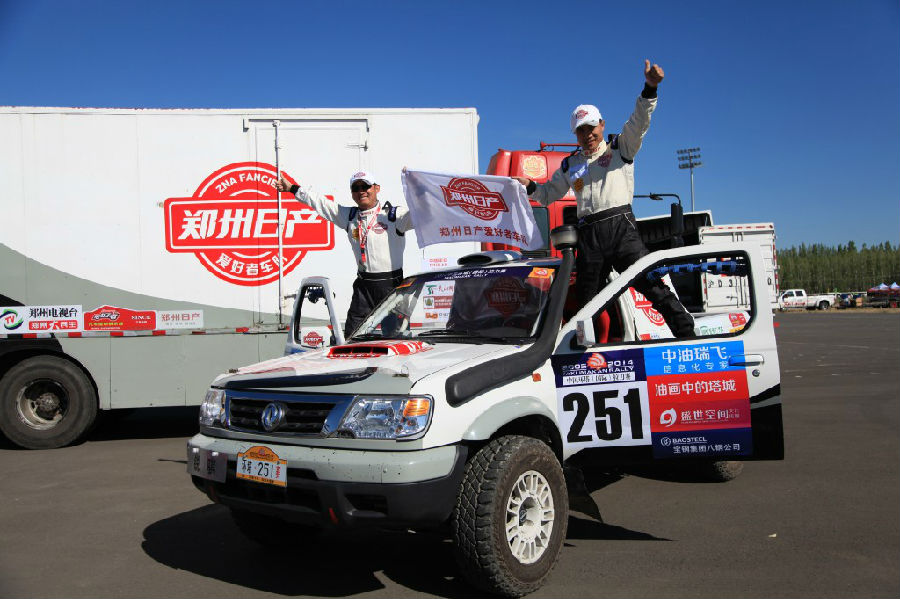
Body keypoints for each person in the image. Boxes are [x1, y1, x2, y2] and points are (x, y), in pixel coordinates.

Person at [514, 59, 694, 338]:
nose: (588, 134)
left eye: (591, 127)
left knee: (652, 286)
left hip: (622, 229)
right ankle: (582, 350)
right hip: (589, 236)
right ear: (575, 134)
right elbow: (548, 195)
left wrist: (650, 88)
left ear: (602, 124)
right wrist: (529, 187)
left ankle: (687, 334)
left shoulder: (620, 148)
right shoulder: (570, 164)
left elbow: (639, 123)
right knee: (587, 302)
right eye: (581, 130)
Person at [276, 170, 413, 337]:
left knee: (396, 340)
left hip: (392, 287)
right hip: (364, 288)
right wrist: (293, 188)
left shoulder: (394, 216)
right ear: (352, 193)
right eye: (356, 188)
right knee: (351, 337)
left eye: (365, 186)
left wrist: (427, 192)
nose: (361, 191)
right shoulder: (349, 216)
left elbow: (421, 216)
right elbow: (321, 203)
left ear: (376, 188)